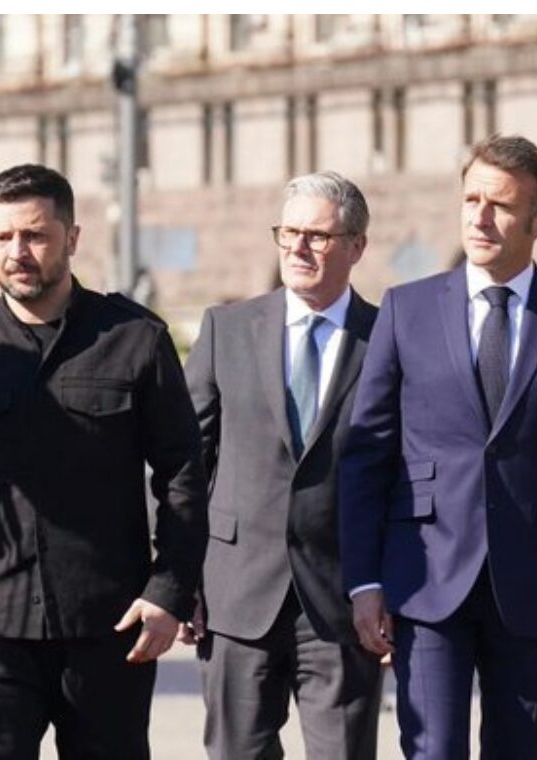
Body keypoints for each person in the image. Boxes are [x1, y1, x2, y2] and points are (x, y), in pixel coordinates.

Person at [339, 133, 537, 759]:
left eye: (499, 205)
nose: (479, 218)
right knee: (433, 750)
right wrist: (363, 580)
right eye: (470, 200)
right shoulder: (406, 309)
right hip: (426, 577)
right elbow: (367, 456)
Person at [0, 164, 209, 759]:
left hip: (110, 626)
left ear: (72, 237)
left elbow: (182, 476)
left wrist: (169, 590)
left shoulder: (134, 340)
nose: (17, 252)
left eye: (35, 235)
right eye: (2, 237)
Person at [182, 170, 382, 759]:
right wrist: (179, 576)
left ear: (356, 246)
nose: (298, 248)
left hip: (342, 600)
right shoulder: (226, 329)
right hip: (235, 593)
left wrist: (385, 583)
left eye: (317, 236)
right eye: (288, 233)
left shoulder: (388, 338)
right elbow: (183, 464)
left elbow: (407, 472)